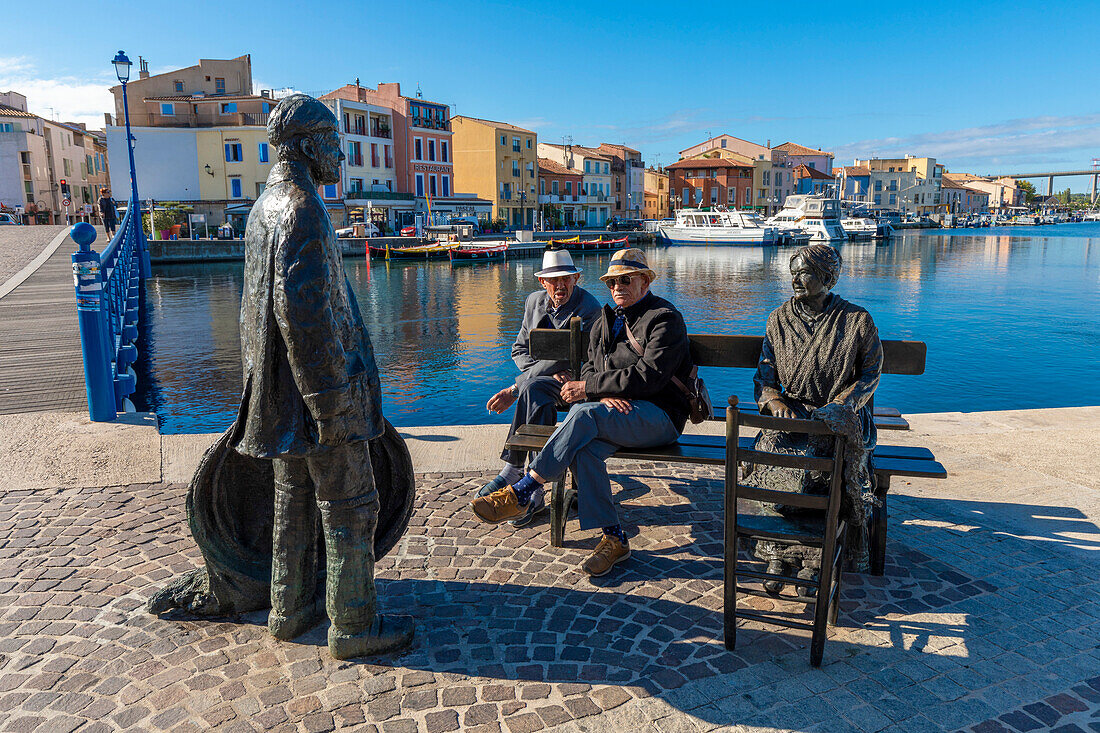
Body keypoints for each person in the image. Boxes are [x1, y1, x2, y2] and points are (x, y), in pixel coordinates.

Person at [232, 93, 413, 660]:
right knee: (352, 504)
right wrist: (331, 403)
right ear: (310, 144)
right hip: (318, 397)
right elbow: (304, 316)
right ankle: (355, 624)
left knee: (294, 499)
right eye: (334, 142)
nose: (341, 154)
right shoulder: (303, 209)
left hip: (278, 395)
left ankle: (291, 609)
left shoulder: (264, 207)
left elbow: (252, 311)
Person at [471, 248, 694, 576]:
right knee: (584, 448)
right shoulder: (607, 317)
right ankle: (615, 538)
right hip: (616, 413)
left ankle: (523, 489)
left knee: (583, 415)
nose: (617, 286)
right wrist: (601, 393)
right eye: (612, 281)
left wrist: (593, 392)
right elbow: (589, 368)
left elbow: (650, 376)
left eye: (626, 280)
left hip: (659, 415)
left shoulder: (664, 318)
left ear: (645, 281)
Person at [750, 243, 883, 591]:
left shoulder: (857, 320)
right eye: (793, 273)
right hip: (793, 415)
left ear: (827, 277)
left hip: (837, 415)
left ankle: (814, 555)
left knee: (823, 463)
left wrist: (842, 403)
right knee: (773, 457)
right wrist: (773, 398)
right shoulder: (778, 318)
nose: (796, 280)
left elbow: (870, 374)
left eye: (804, 273)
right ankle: (776, 549)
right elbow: (764, 374)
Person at [481, 248, 601, 526]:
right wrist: (543, 372)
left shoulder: (589, 309)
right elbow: (519, 349)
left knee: (530, 388)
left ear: (576, 278)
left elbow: (570, 357)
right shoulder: (533, 302)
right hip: (547, 383)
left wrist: (514, 389)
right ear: (542, 282)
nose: (560, 285)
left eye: (566, 279)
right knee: (534, 390)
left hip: (578, 386)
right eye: (553, 280)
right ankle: (524, 481)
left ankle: (520, 478)